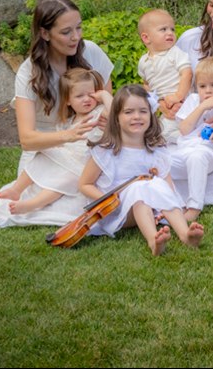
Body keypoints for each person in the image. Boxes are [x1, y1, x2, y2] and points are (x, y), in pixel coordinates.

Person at [78, 85, 204, 256]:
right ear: (116, 118)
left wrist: (168, 209)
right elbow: (84, 184)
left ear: (150, 116)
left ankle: (185, 234)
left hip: (147, 210)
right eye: (128, 112)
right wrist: (110, 201)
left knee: (155, 183)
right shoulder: (106, 150)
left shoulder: (156, 151)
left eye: (143, 111)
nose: (137, 116)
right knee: (139, 188)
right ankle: (153, 240)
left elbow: (167, 187)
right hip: (116, 212)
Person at [0, 68, 111, 227]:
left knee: (67, 178)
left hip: (84, 164)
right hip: (66, 158)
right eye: (79, 96)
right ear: (68, 101)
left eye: (90, 94)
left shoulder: (99, 113)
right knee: (44, 153)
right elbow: (62, 143)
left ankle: (33, 204)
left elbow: (116, 114)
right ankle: (16, 190)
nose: (86, 99)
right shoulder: (68, 121)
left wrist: (105, 96)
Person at [12, 0, 113, 176]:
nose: (76, 37)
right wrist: (69, 135)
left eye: (79, 27)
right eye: (66, 32)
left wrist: (106, 123)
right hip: (47, 149)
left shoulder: (91, 52)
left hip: (91, 146)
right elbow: (26, 139)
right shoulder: (29, 73)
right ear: (45, 33)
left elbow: (107, 105)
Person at [169, 56, 213, 223]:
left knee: (197, 157)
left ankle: (194, 206)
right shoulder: (193, 100)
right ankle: (170, 203)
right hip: (184, 151)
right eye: (202, 86)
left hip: (210, 152)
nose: (208, 91)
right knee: (159, 163)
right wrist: (201, 107)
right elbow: (184, 129)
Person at [137, 8, 193, 141]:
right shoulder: (143, 61)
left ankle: (188, 140)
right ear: (146, 38)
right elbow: (146, 85)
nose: (170, 33)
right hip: (164, 106)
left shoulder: (174, 53)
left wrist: (178, 96)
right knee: (161, 132)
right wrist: (157, 102)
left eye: (172, 29)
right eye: (163, 29)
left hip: (183, 102)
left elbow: (187, 73)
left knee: (174, 131)